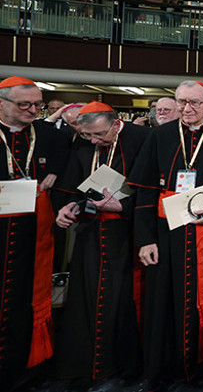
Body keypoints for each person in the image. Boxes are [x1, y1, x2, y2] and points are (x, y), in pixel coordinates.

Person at [128, 80, 203, 390]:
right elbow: (144, 191)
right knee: (164, 298)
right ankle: (166, 365)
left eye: (195, 103)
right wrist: (145, 239)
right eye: (181, 102)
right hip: (165, 233)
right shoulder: (159, 136)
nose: (187, 109)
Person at [53, 101, 148, 386]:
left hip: (128, 235)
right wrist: (67, 207)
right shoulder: (83, 144)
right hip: (91, 235)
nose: (94, 141)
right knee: (87, 298)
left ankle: (125, 367)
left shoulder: (143, 140)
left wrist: (122, 208)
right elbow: (72, 186)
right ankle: (88, 367)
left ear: (116, 123)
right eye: (88, 136)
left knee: (124, 301)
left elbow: (151, 191)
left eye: (99, 135)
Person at [0, 76, 67, 391]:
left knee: (25, 299)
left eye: (37, 105)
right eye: (24, 104)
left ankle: (23, 364)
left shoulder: (47, 135)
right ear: (2, 103)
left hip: (32, 236)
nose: (32, 110)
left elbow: (68, 158)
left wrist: (56, 168)